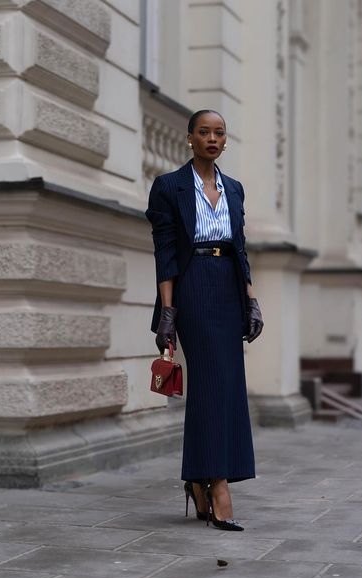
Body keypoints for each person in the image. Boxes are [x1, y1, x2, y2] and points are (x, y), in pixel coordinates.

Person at [146, 109, 263, 531]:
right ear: (189, 138)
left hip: (229, 290)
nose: (212, 139)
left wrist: (251, 300)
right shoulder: (169, 187)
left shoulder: (234, 189)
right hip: (193, 286)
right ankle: (218, 486)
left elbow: (240, 248)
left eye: (219, 133)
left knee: (228, 385)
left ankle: (199, 479)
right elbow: (165, 253)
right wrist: (168, 312)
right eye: (204, 132)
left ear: (224, 141)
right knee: (212, 382)